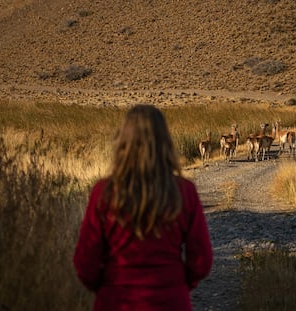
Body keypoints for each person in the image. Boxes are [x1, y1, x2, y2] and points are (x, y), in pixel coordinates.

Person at [73, 104, 213, 311]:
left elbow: (85, 262)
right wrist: (180, 284)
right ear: (165, 143)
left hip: (116, 301)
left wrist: (107, 287)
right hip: (171, 301)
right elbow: (201, 260)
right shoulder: (184, 191)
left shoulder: (104, 193)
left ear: (123, 142)